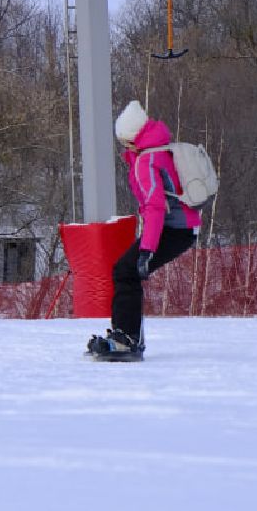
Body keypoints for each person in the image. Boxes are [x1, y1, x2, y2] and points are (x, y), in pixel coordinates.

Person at [88, 100, 201, 360]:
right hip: (182, 228)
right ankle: (126, 336)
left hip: (173, 229)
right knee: (126, 270)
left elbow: (154, 207)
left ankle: (126, 339)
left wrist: (147, 250)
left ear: (130, 138)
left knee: (126, 270)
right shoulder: (160, 150)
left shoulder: (147, 161)